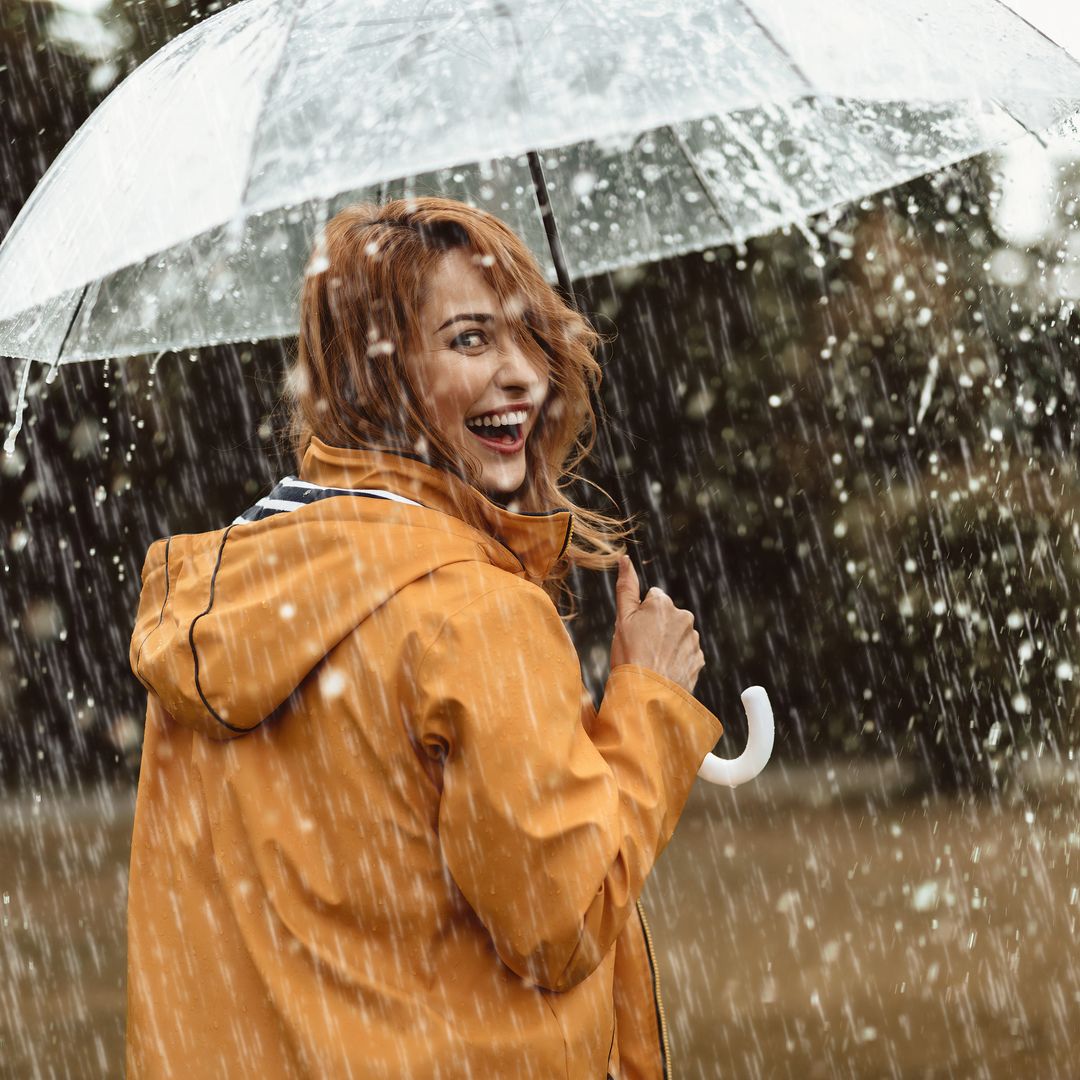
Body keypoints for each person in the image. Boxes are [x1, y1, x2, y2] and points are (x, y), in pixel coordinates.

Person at [126, 196, 723, 1078]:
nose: (524, 375)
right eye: (471, 340)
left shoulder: (234, 592)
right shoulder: (470, 611)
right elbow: (559, 923)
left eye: (531, 337)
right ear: (375, 375)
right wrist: (650, 709)